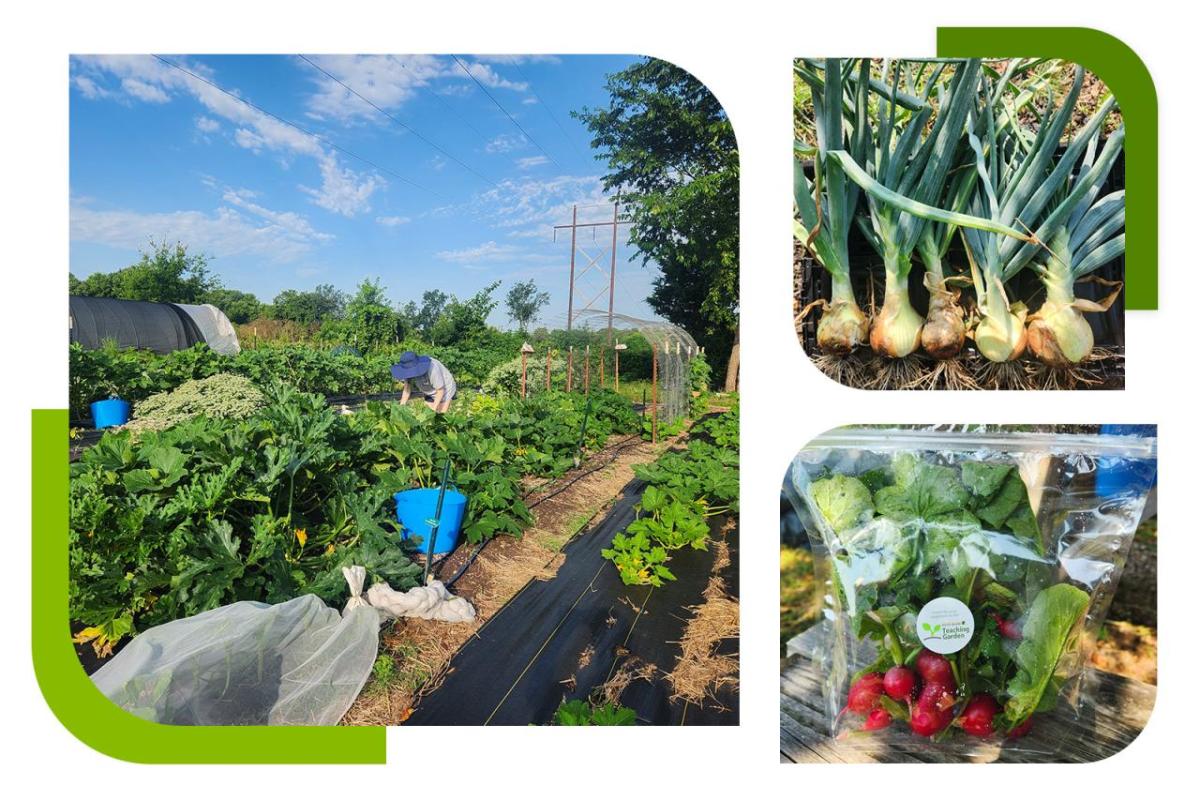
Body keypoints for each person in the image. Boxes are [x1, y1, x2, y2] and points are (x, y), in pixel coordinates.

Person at [391, 350, 457, 413]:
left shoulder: (432, 368)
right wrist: (401, 407)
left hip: (445, 389)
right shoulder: (408, 371)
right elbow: (407, 389)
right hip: (428, 390)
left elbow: (440, 390)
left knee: (441, 415)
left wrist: (433, 409)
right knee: (428, 417)